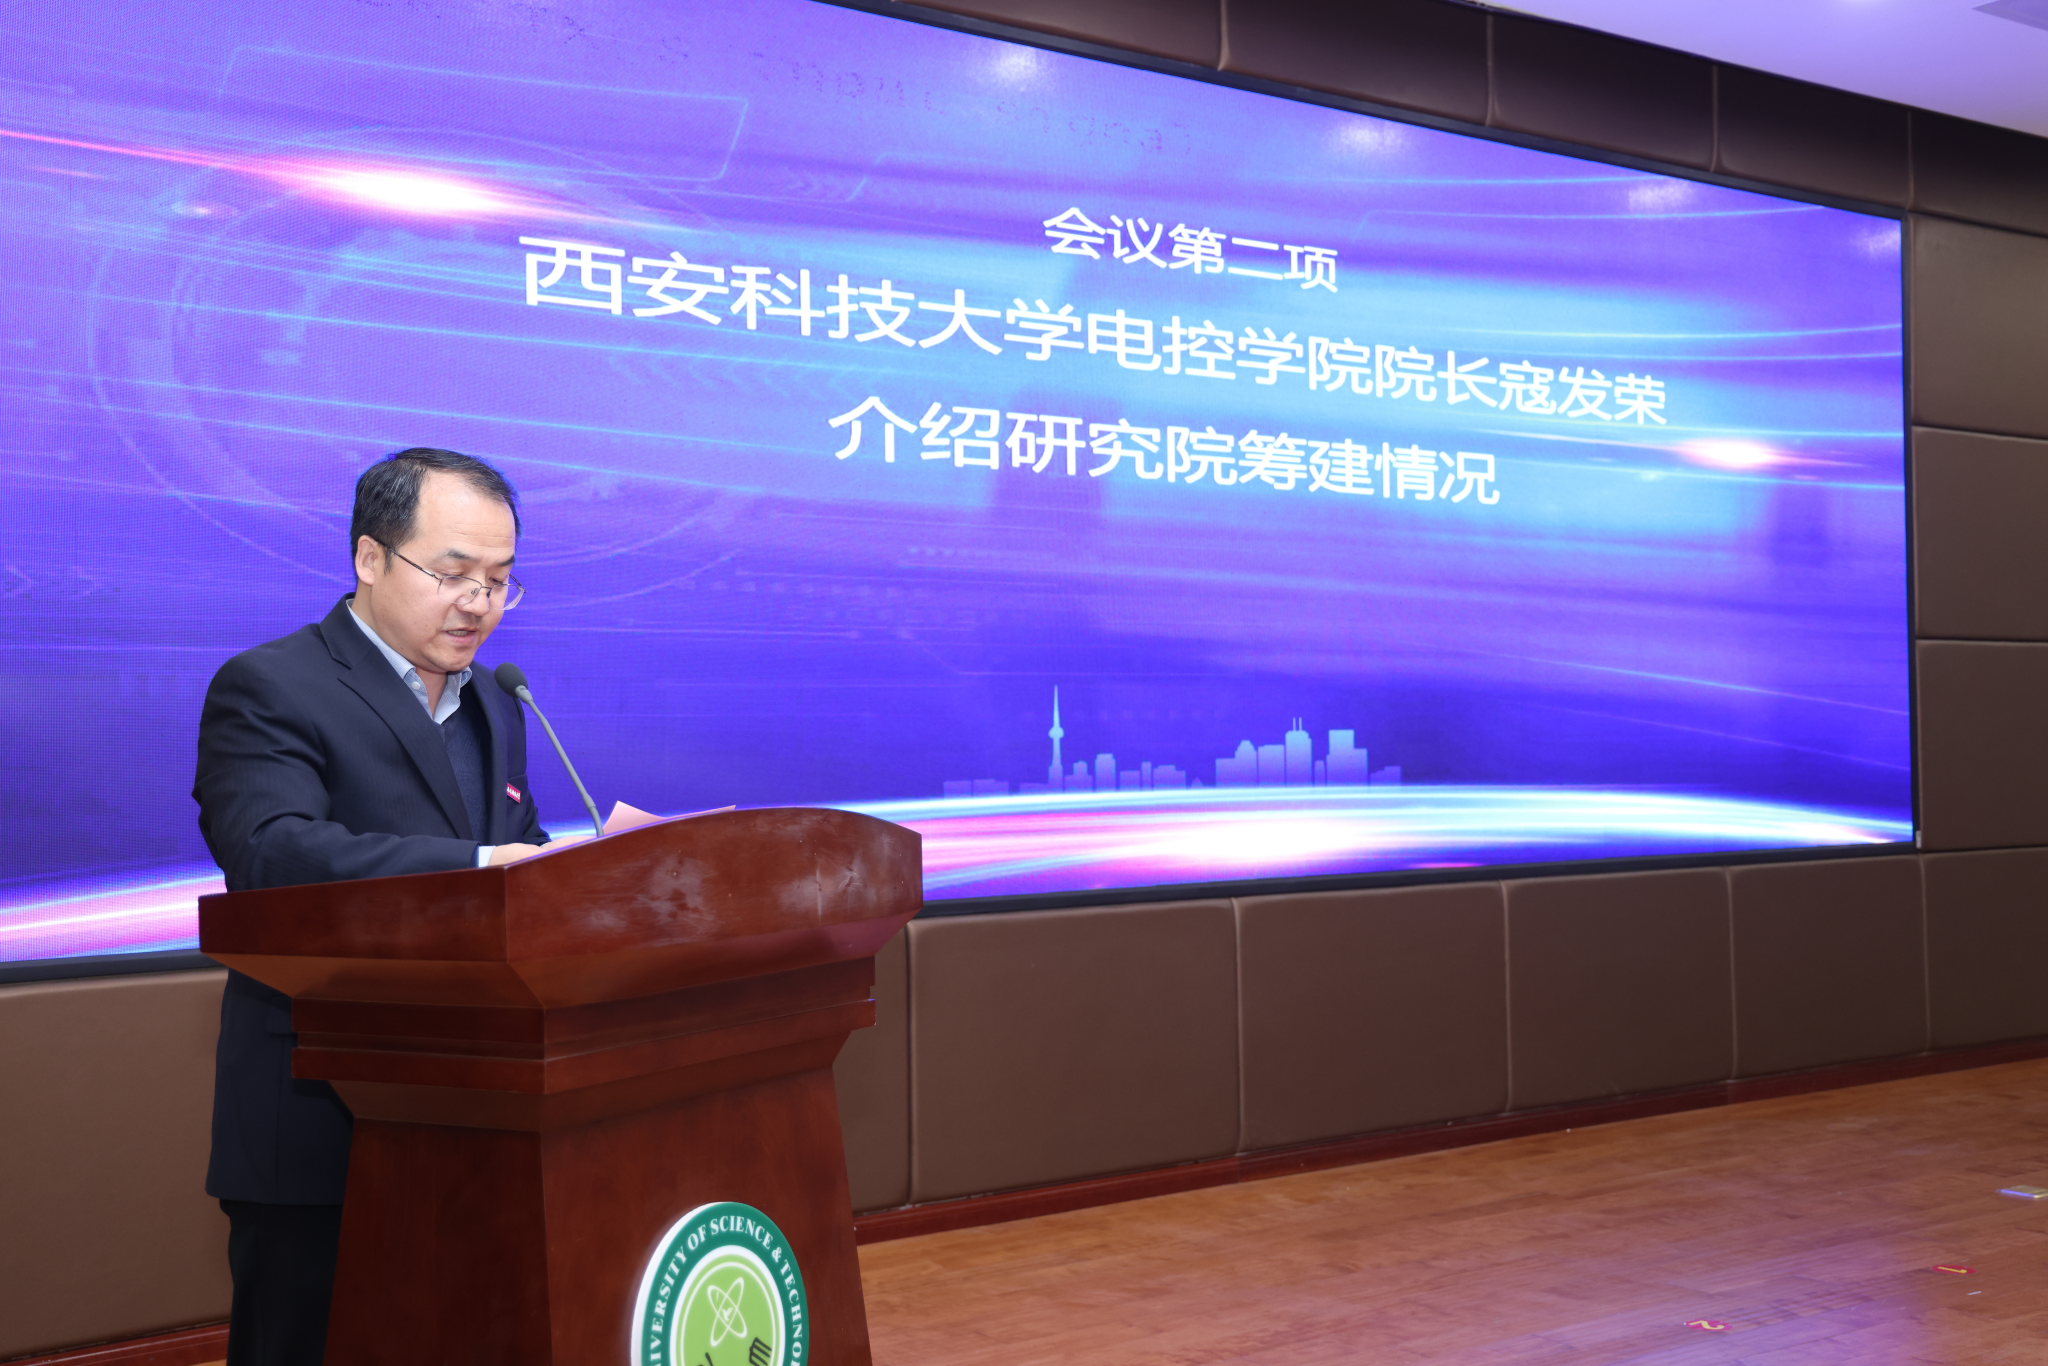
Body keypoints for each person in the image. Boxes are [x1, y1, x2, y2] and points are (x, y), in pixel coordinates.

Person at [193, 448, 550, 1366]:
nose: (478, 603)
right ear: (369, 557)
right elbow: (270, 852)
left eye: (499, 581)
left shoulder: (497, 704)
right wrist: (479, 864)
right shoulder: (271, 685)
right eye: (454, 573)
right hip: (322, 1106)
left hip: (477, 1108)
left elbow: (525, 859)